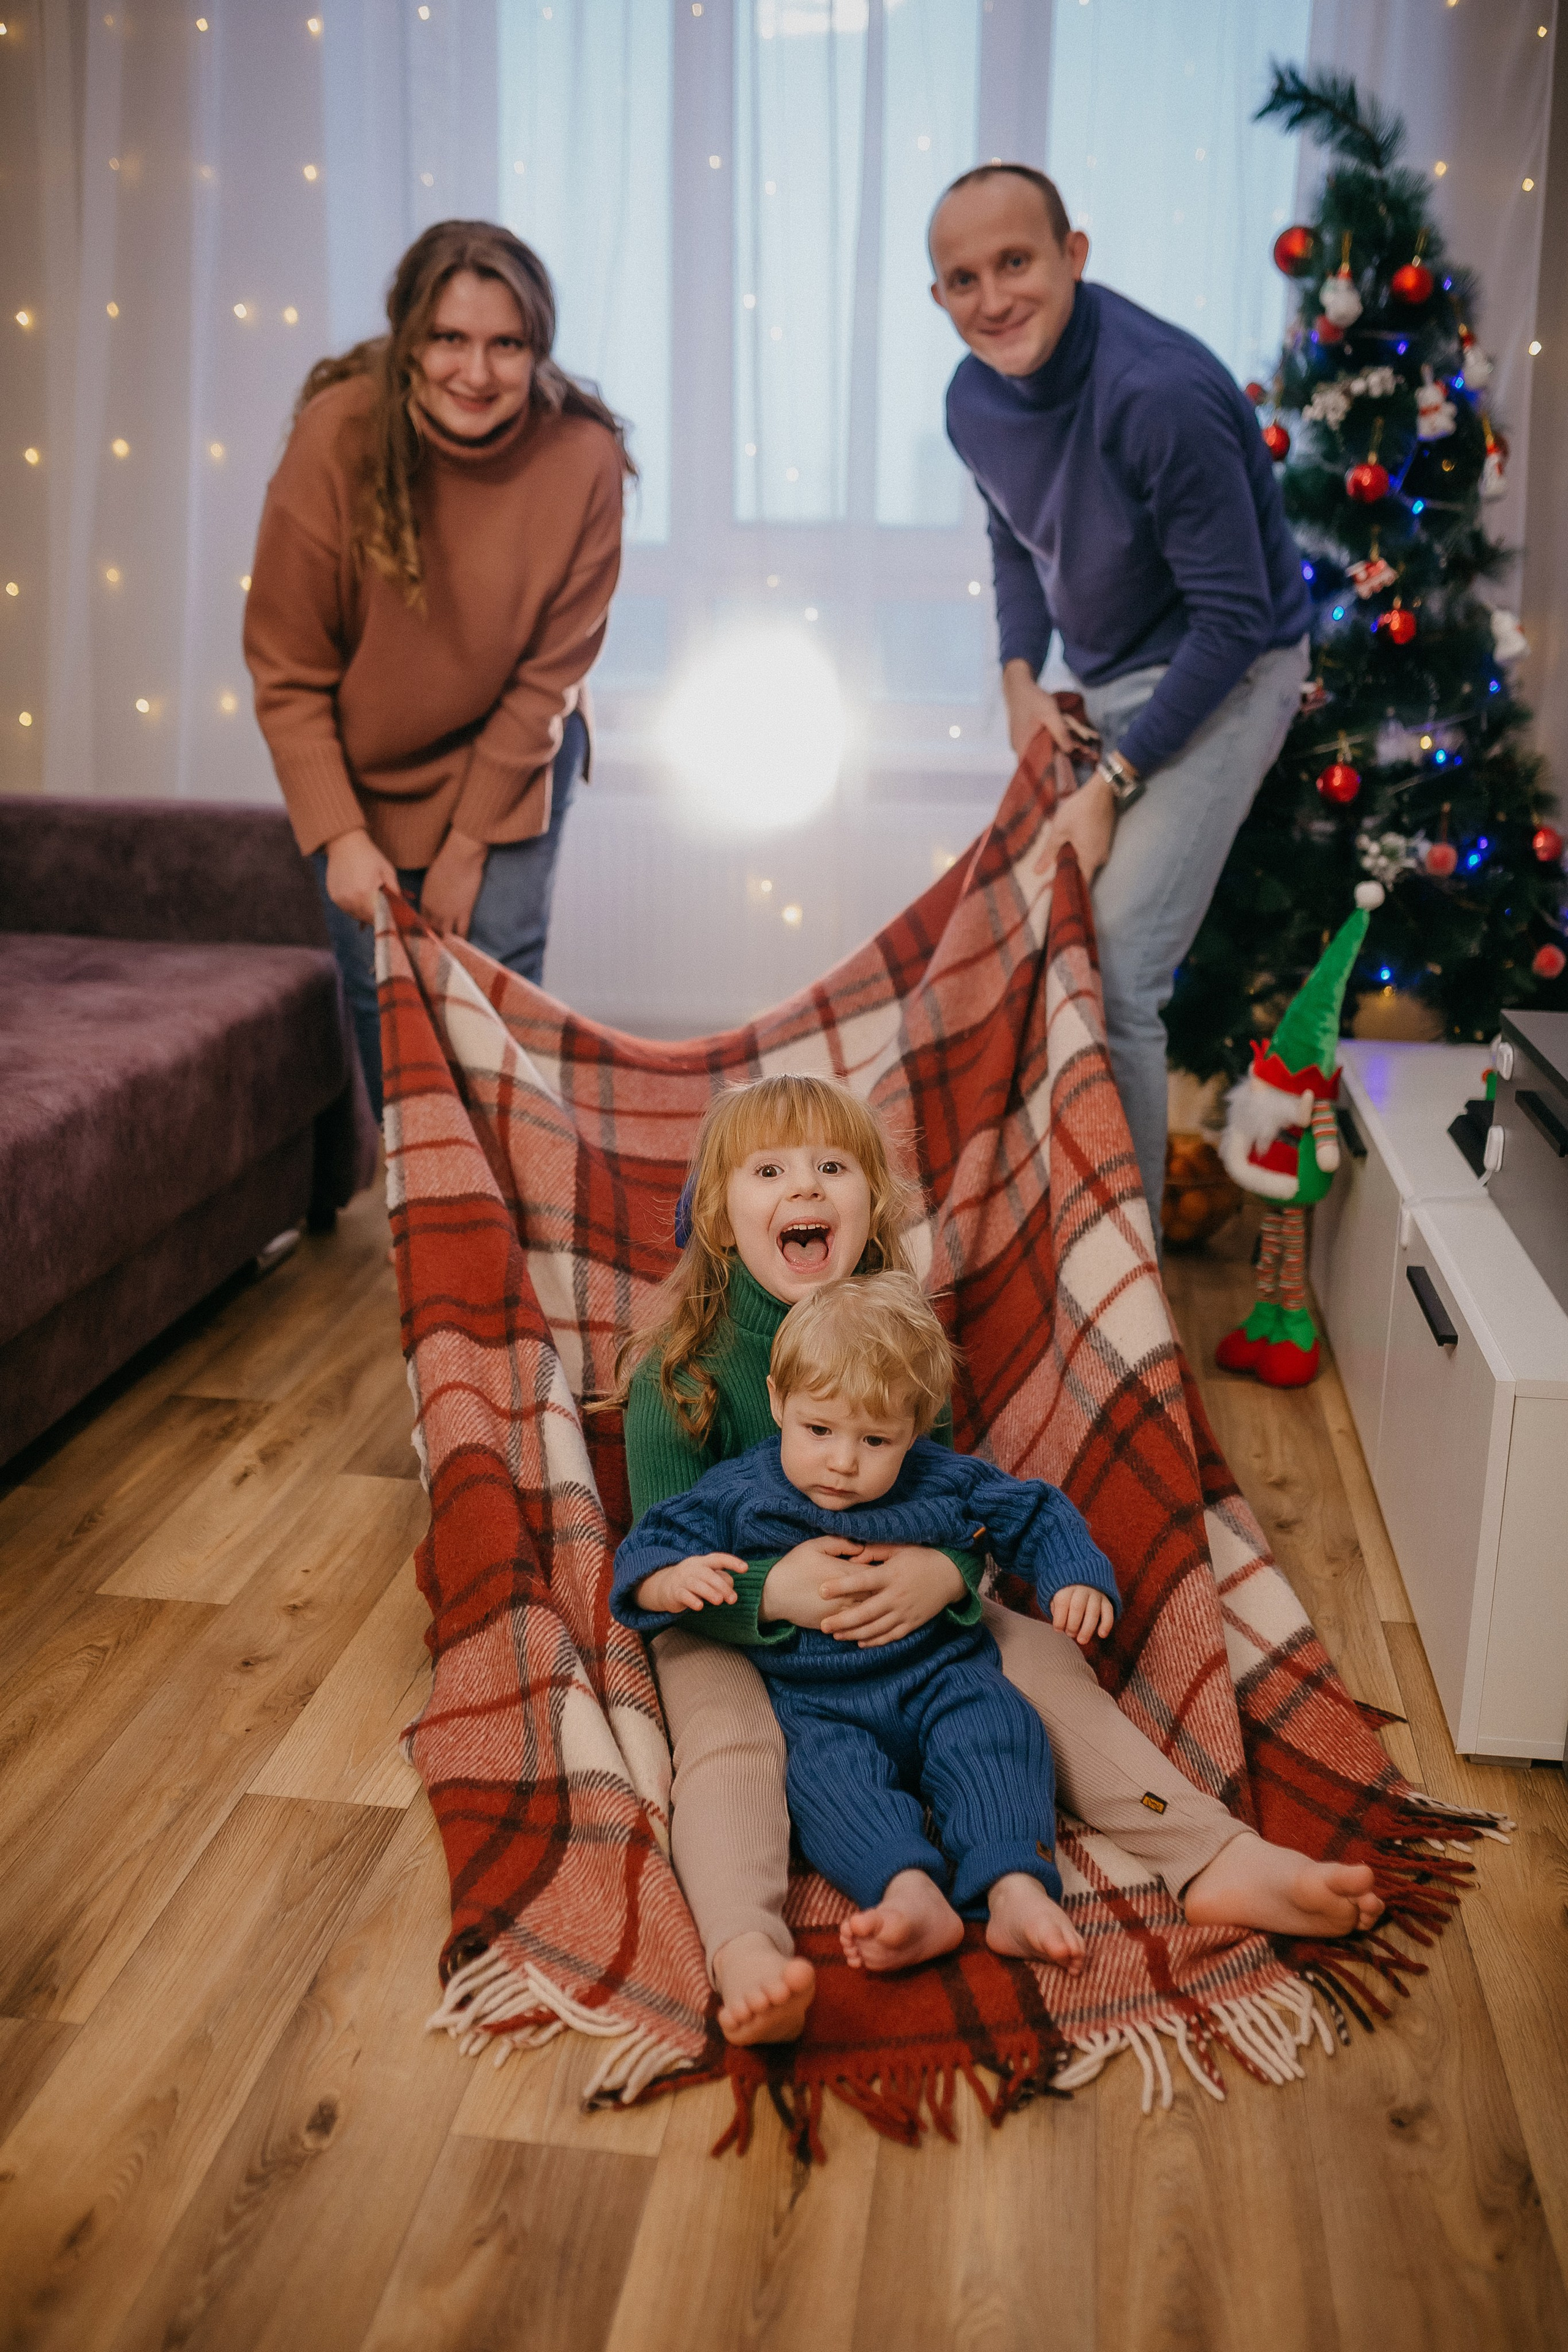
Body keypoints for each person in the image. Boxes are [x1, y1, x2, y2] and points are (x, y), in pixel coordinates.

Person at [611, 1072, 1382, 2049]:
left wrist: (952, 1576)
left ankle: (1209, 1852)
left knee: (1042, 1668)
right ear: (722, 1219)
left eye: (832, 1167)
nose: (805, 1188)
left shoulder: (895, 1343)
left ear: (870, 1206)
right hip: (731, 1624)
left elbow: (942, 1492)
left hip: (908, 1606)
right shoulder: (679, 1379)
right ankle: (744, 1950)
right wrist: (773, 1593)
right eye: (770, 1170)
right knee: (728, 1747)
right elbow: (662, 1559)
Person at [929, 164, 1313, 1224]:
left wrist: (1114, 780)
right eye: (965, 278)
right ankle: (1064, 1232)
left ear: (1074, 256)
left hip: (1236, 670)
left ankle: (1125, 1286)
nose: (994, 298)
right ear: (938, 298)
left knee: (1119, 956)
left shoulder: (1160, 393)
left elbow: (1236, 623)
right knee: (1042, 937)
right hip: (1112, 677)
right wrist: (1017, 675)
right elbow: (1014, 535)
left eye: (1017, 263)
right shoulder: (971, 398)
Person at [613, 1272, 1120, 1976]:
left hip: (944, 1677)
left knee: (1000, 1737)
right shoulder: (743, 1492)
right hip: (818, 1708)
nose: (842, 1462)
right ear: (777, 1402)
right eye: (818, 1430)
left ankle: (1015, 1888)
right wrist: (673, 1578)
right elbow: (654, 1538)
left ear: (915, 1427)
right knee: (827, 1787)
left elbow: (1032, 1511)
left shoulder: (940, 1479)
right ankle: (908, 1893)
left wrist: (1077, 1574)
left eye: (875, 1439)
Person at [244, 219, 631, 1119]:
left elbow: (550, 677)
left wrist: (469, 847)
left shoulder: (584, 455)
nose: (477, 371)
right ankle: (423, 1235)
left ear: (538, 348)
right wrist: (341, 835)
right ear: (409, 338)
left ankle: (518, 1232)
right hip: (365, 767)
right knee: (390, 1009)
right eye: (449, 339)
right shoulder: (336, 436)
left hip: (515, 749)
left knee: (498, 1002)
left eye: (507, 344)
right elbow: (288, 667)